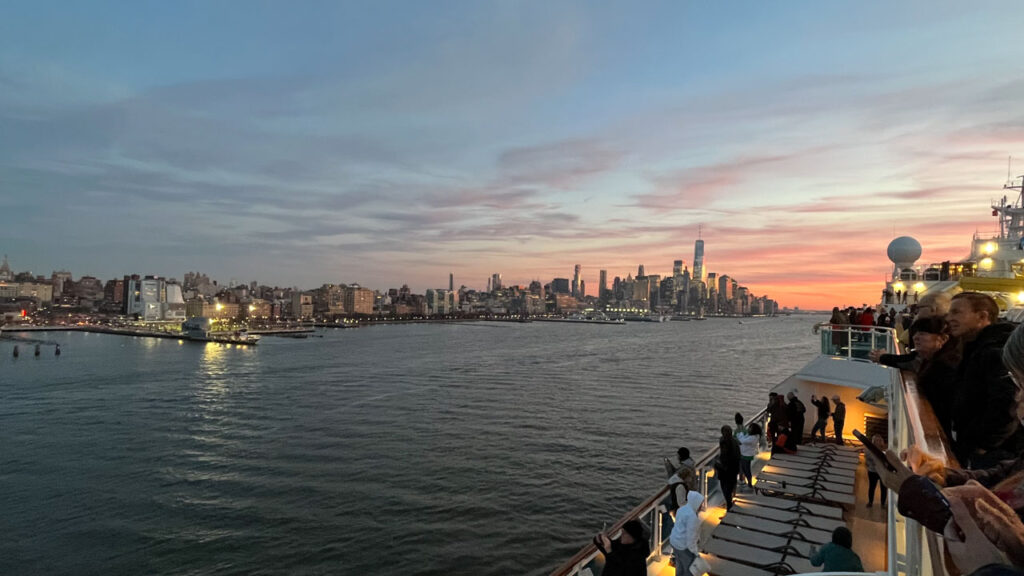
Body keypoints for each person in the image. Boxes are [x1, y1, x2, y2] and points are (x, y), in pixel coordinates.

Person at [948, 292, 1024, 467]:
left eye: (956, 312)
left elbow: (1007, 403)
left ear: (982, 316)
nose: (949, 318)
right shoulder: (976, 347)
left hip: (993, 454)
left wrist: (982, 446)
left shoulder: (994, 351)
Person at [669, 490, 704, 575]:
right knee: (689, 569)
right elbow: (690, 539)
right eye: (700, 503)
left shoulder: (682, 509)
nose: (701, 506)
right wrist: (695, 553)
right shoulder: (692, 517)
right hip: (683, 546)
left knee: (679, 565)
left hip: (674, 542)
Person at [715, 426, 741, 510]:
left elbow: (725, 458)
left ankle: (729, 506)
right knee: (730, 487)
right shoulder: (735, 441)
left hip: (726, 471)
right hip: (734, 469)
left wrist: (717, 465)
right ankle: (729, 504)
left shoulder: (725, 443)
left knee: (725, 488)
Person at [665, 447, 697, 511]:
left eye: (678, 455)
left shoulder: (685, 469)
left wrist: (669, 467)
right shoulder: (690, 465)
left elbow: (672, 480)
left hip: (686, 495)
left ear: (680, 456)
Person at [865, 434, 888, 508]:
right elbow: (868, 461)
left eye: (880, 440)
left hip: (882, 472)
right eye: (876, 440)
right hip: (873, 471)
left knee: (884, 488)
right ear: (873, 441)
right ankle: (870, 502)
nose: (878, 442)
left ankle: (883, 504)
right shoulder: (869, 450)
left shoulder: (885, 450)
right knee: (872, 487)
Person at [737, 423, 761, 489]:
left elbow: (741, 440)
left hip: (746, 455)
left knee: (746, 470)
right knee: (743, 468)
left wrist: (740, 434)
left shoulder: (752, 438)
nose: (748, 429)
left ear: (754, 430)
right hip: (744, 454)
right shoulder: (753, 436)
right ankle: (743, 481)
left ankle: (749, 483)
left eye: (750, 428)